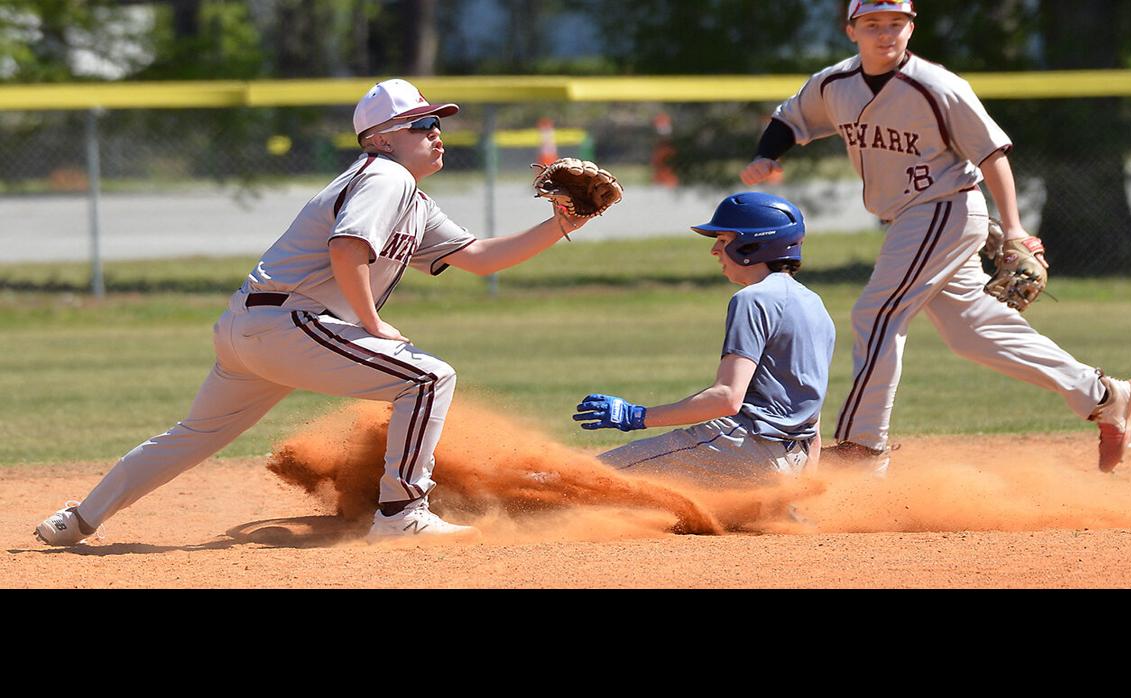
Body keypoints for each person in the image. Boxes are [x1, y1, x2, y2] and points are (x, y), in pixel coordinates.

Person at [35, 78, 595, 546]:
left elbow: (481, 258)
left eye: (438, 123)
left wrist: (562, 222)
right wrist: (371, 325)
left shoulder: (409, 198)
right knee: (428, 378)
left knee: (191, 435)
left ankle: (78, 520)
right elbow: (347, 249)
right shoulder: (386, 176)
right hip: (289, 323)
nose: (437, 134)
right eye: (422, 125)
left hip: (251, 328)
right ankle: (401, 515)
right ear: (381, 139)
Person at [739, 0, 1131, 476]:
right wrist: (767, 156)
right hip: (913, 218)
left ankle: (862, 447)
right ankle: (1103, 395)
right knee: (973, 333)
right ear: (851, 30)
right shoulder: (834, 84)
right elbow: (792, 118)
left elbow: (992, 153)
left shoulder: (938, 86)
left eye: (896, 23)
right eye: (872, 24)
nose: (885, 33)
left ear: (911, 28)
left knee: (877, 312)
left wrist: (1014, 229)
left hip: (942, 207)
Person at [573, 193, 835, 487]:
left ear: (750, 245)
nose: (714, 250)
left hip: (740, 450)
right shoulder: (816, 305)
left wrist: (636, 415)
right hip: (791, 465)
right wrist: (800, 488)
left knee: (578, 481)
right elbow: (813, 414)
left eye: (723, 240)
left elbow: (727, 397)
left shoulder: (753, 299)